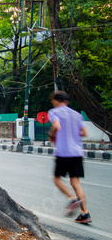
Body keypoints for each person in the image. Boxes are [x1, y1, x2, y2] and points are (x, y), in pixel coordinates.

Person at [48, 91, 91, 224]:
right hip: (77, 152)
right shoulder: (77, 115)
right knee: (76, 183)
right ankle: (84, 213)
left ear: (56, 101)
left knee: (56, 179)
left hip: (63, 152)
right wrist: (72, 134)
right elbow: (84, 133)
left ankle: (72, 198)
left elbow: (56, 126)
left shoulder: (54, 112)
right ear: (66, 101)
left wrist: (52, 135)